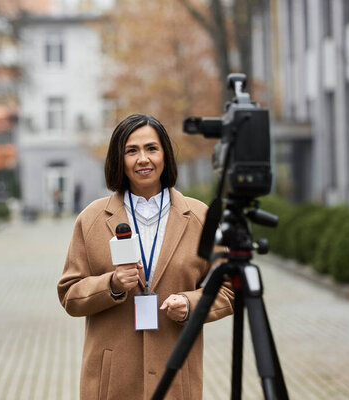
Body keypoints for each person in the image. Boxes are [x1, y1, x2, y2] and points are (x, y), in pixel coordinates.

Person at [57, 114, 234, 400]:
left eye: (152, 148)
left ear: (165, 155)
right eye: (131, 150)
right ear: (119, 159)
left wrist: (190, 305)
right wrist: (111, 284)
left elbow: (229, 288)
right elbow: (69, 294)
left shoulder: (201, 217)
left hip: (177, 379)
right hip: (112, 384)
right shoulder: (90, 219)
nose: (143, 159)